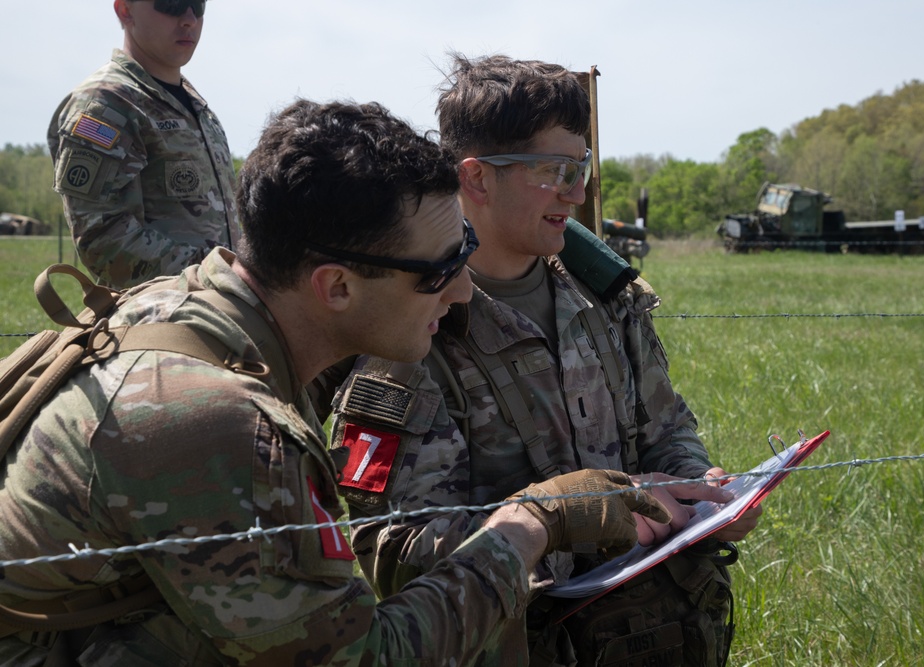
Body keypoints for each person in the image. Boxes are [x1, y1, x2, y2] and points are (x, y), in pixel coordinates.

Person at [0, 100, 724, 666]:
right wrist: (536, 520)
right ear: (337, 287)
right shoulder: (208, 421)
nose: (465, 292)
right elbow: (364, 656)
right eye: (439, 271)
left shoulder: (195, 305)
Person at [329, 54, 763, 666]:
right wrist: (585, 528)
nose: (577, 191)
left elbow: (667, 431)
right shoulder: (412, 332)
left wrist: (702, 498)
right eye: (554, 170)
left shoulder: (604, 297)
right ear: (477, 179)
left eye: (579, 166)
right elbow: (398, 552)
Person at [47, 0, 240, 289]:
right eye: (171, 5)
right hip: (159, 318)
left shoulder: (194, 105)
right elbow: (104, 243)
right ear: (125, 10)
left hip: (217, 307)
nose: (189, 19)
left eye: (197, 5)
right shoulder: (105, 104)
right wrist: (221, 275)